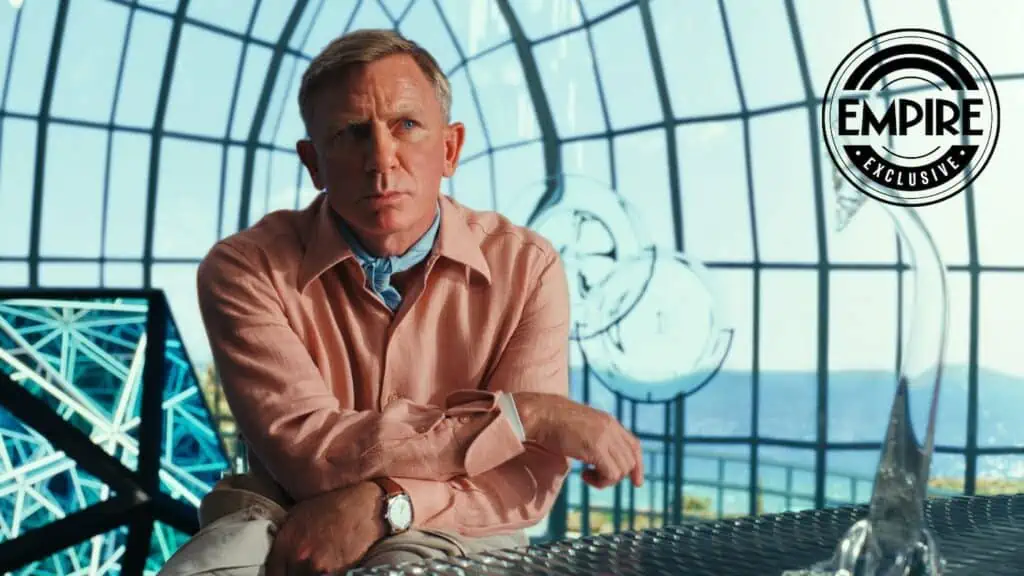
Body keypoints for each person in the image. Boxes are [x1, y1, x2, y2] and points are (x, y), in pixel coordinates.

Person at [158, 29, 644, 576]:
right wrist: (521, 416)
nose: (380, 159)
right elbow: (310, 455)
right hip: (283, 515)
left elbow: (525, 479)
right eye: (351, 133)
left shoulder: (527, 268)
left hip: (458, 527)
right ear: (313, 164)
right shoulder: (244, 268)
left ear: (450, 149)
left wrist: (391, 504)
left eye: (406, 125)